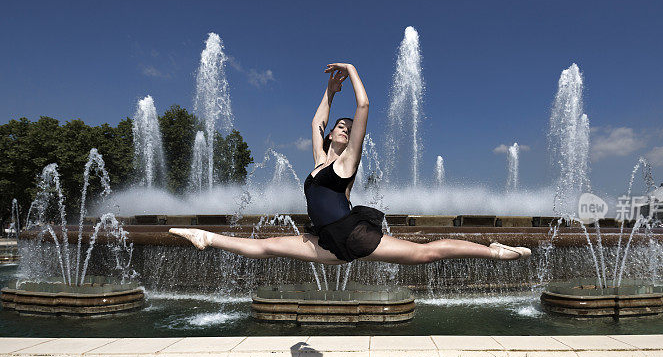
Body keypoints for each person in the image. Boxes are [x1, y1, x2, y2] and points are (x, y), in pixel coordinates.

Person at [170, 62, 530, 265]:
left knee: (426, 253)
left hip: (353, 234)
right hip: (325, 241)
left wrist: (352, 70)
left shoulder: (346, 164)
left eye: (348, 129)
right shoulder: (318, 164)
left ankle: (492, 251)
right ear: (331, 137)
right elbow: (315, 124)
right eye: (340, 127)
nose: (345, 130)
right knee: (264, 245)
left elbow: (364, 107)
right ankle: (206, 237)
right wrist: (330, 91)